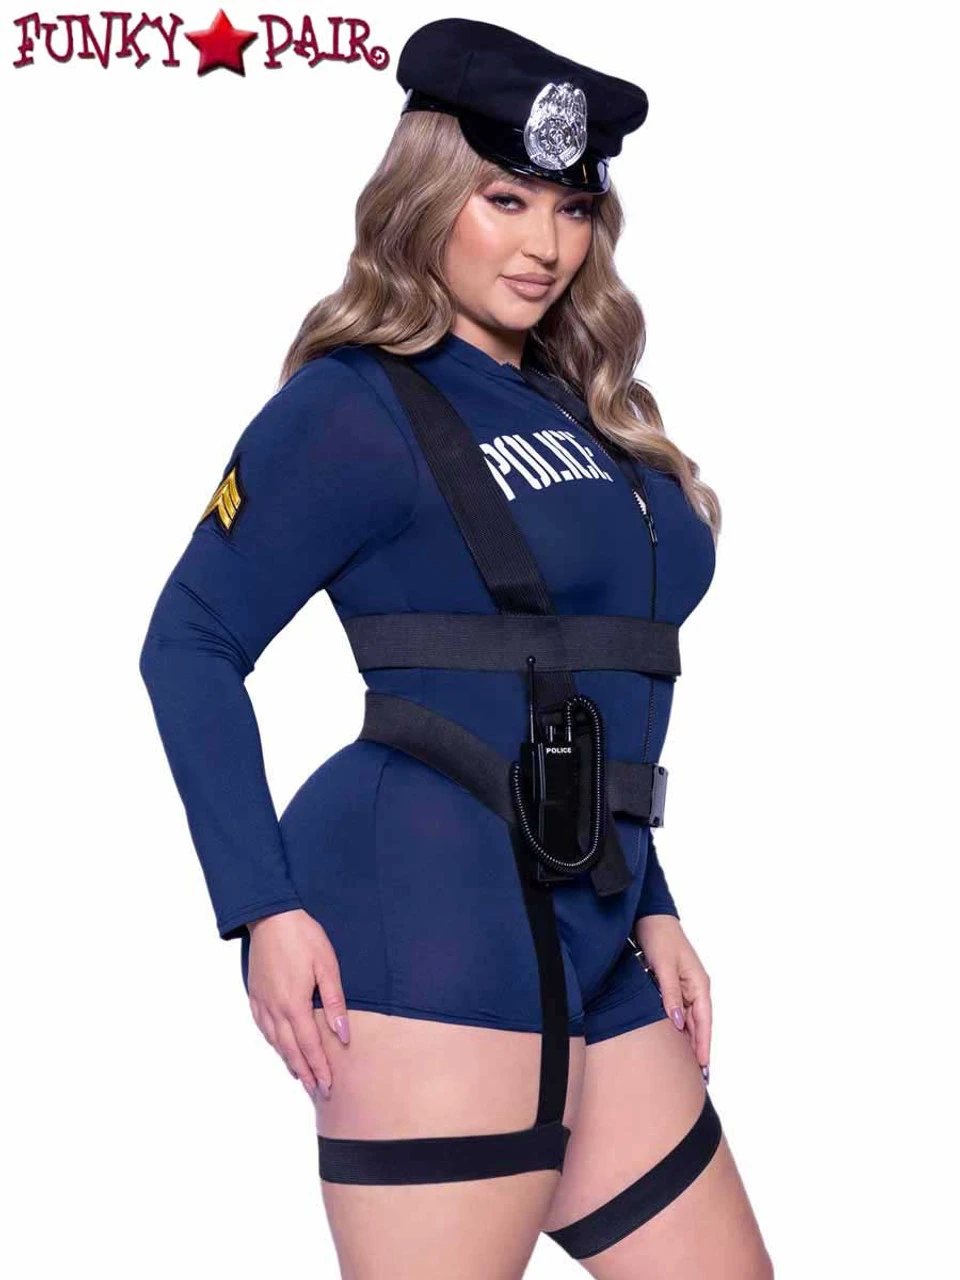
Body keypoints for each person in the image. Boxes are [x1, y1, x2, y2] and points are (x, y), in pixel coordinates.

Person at [139, 16, 773, 1279]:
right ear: (429, 196)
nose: (546, 245)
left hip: (593, 907)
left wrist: (650, 899)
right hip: (425, 910)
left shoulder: (580, 407)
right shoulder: (352, 404)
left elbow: (575, 681)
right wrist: (260, 905)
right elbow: (189, 640)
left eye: (573, 209)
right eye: (506, 200)